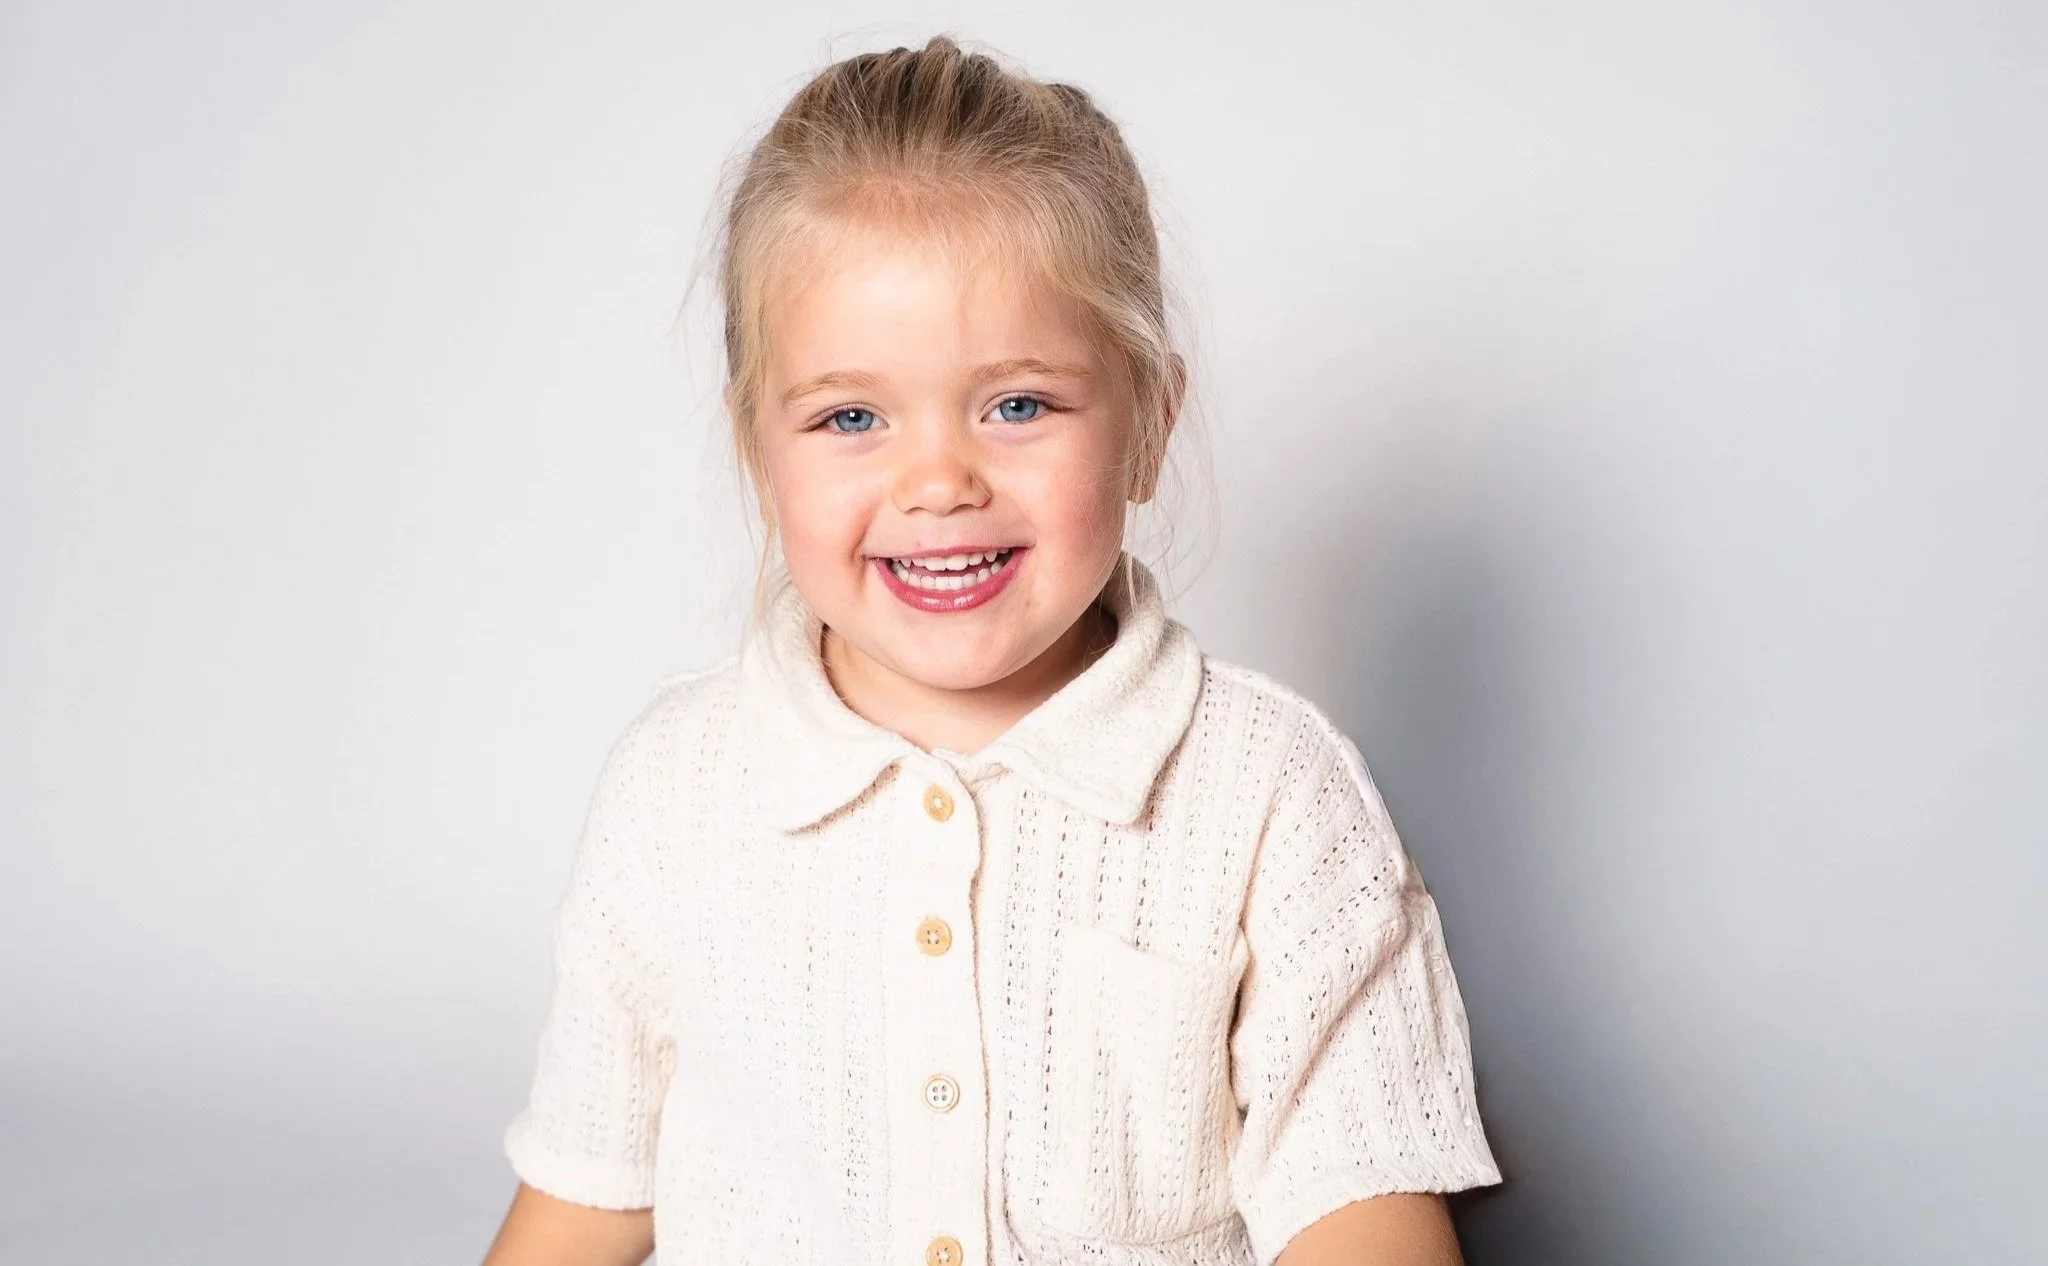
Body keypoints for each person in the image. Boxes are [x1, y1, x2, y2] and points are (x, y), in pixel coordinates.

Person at [480, 34, 1499, 1266]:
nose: (939, 482)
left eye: (1017, 405)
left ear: (1146, 426)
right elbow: (590, 1190)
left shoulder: (1270, 796)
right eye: (851, 417)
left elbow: (1364, 1212)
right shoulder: (675, 791)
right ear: (762, 455)